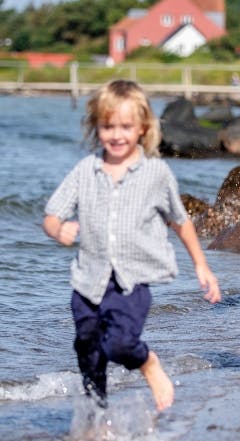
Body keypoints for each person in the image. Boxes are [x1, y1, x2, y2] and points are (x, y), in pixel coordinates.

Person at [43, 79, 221, 411]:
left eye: (125, 126)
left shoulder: (156, 173)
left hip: (131, 282)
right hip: (87, 280)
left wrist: (201, 265)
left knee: (121, 344)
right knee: (88, 350)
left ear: (142, 128)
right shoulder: (87, 170)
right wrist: (59, 230)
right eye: (108, 126)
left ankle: (148, 362)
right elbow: (52, 214)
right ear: (96, 126)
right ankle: (97, 414)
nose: (116, 134)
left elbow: (180, 221)